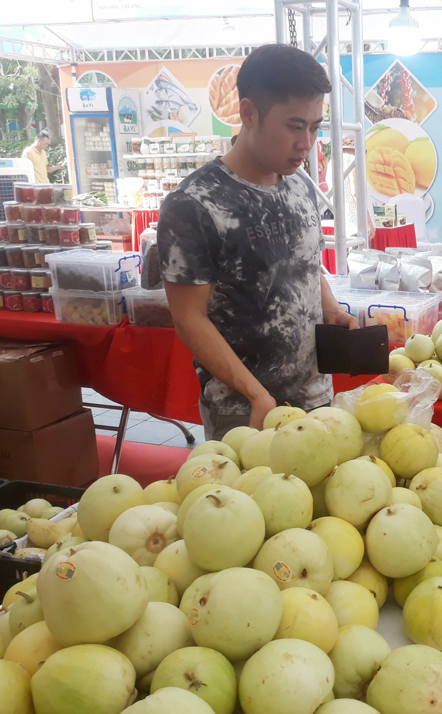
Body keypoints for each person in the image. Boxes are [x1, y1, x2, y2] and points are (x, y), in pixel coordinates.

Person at [158, 44, 358, 440]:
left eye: (315, 127)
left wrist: (332, 310)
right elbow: (188, 319)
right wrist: (254, 394)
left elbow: (304, 262)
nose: (307, 143)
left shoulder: (300, 186)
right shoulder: (194, 204)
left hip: (317, 397)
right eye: (294, 126)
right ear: (248, 113)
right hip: (245, 411)